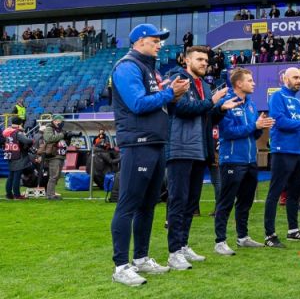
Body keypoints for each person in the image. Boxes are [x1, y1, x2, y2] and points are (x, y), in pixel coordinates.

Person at [110, 24, 191, 286]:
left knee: (147, 205)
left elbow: (155, 100)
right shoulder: (127, 66)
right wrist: (170, 93)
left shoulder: (149, 69)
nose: (159, 45)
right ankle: (121, 266)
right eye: (155, 41)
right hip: (138, 143)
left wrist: (171, 94)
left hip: (155, 142)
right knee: (128, 204)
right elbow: (137, 103)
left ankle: (141, 258)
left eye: (160, 41)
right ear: (140, 41)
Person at [164, 46, 234, 270]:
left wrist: (220, 108)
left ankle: (183, 245)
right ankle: (174, 251)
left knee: (191, 202)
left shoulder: (204, 85)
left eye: (207, 60)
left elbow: (206, 117)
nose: (205, 63)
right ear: (186, 61)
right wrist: (212, 101)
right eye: (200, 59)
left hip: (198, 150)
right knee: (178, 200)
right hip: (179, 148)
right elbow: (183, 108)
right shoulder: (179, 79)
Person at [213, 68, 274, 256]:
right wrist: (253, 126)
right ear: (238, 83)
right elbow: (228, 132)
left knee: (246, 201)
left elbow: (253, 134)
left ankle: (242, 237)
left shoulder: (251, 104)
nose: (254, 83)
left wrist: (260, 126)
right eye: (249, 80)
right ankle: (220, 241)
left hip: (249, 160)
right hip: (232, 159)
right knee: (226, 201)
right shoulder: (226, 103)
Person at [264, 68, 300, 248]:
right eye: (295, 77)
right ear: (284, 79)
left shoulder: (297, 101)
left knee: (295, 193)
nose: (299, 81)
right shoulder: (278, 97)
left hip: (297, 152)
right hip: (282, 150)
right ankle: (270, 235)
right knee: (275, 192)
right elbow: (280, 121)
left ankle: (293, 230)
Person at [43, 115, 80, 200]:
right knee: (53, 176)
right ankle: (50, 195)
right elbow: (49, 138)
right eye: (60, 121)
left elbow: (65, 142)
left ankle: (52, 193)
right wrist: (62, 135)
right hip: (53, 155)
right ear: (55, 121)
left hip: (61, 155)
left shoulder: (60, 131)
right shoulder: (49, 129)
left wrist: (68, 137)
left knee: (57, 176)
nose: (62, 123)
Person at [4, 117, 33, 199]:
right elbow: (27, 141)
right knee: (17, 176)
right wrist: (32, 140)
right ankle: (17, 195)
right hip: (18, 156)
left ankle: (9, 194)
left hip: (10, 155)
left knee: (11, 176)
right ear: (20, 124)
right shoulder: (17, 132)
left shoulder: (7, 131)